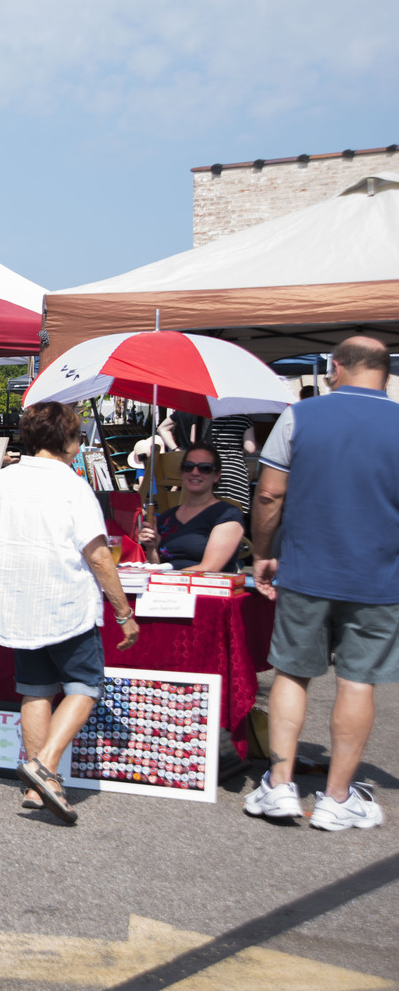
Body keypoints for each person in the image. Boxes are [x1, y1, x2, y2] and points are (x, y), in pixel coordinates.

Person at [0, 402, 140, 824]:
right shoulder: (72, 486)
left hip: (19, 601)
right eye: (77, 437)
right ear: (67, 440)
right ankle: (45, 766)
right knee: (85, 685)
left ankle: (39, 787)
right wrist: (124, 612)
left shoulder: (3, 480)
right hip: (64, 600)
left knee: (36, 689)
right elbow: (98, 555)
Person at [246, 335, 399, 831]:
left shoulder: (299, 416)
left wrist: (263, 552)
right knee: (357, 680)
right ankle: (336, 798)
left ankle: (280, 785)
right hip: (379, 576)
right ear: (385, 371)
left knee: (292, 673)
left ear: (336, 367)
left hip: (306, 569)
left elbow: (269, 494)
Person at [136, 441, 245, 571]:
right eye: (188, 466)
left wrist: (165, 576)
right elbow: (157, 566)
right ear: (182, 472)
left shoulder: (227, 514)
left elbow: (210, 569)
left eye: (204, 468)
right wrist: (151, 548)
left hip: (205, 583)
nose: (195, 472)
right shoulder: (166, 518)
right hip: (168, 582)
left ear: (216, 476)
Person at [206, 414, 256, 513]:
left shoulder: (215, 419)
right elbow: (250, 448)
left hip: (216, 468)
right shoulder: (245, 420)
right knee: (237, 509)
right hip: (235, 469)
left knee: (215, 509)